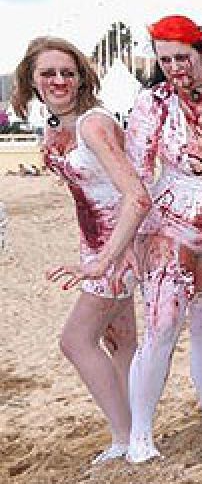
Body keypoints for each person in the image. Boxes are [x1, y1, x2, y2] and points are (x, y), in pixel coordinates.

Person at [14, 36, 151, 464]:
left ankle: (125, 436)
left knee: (75, 341)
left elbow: (137, 197)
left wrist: (105, 259)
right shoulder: (55, 124)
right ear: (32, 80)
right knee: (121, 340)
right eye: (48, 73)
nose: (58, 80)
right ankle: (138, 433)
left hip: (117, 245)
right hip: (97, 241)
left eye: (67, 72)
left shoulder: (93, 123)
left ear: (81, 77)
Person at [123, 16, 202, 463]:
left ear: (201, 52)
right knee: (162, 326)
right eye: (164, 58)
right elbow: (133, 175)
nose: (174, 67)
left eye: (182, 57)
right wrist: (129, 245)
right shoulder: (152, 104)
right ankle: (140, 434)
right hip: (169, 224)